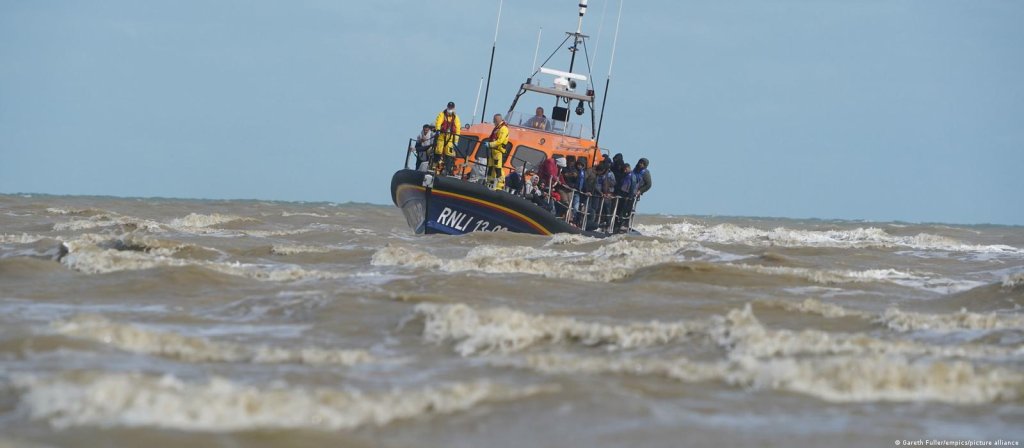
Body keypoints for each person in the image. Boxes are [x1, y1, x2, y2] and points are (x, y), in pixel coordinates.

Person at [482, 113, 509, 189]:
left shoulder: (504, 128)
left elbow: (500, 141)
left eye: (494, 120)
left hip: (498, 151)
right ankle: (489, 182)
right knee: (490, 167)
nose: (493, 121)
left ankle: (499, 185)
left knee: (498, 168)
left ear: (497, 119)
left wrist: (490, 144)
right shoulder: (497, 128)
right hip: (493, 151)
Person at [433, 101, 461, 175]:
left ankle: (448, 169)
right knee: (438, 150)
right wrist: (438, 129)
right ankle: (434, 166)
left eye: (451, 108)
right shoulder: (442, 114)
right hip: (442, 136)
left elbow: (458, 129)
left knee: (449, 153)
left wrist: (456, 141)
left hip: (450, 138)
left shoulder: (456, 118)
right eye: (449, 107)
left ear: (454, 108)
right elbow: (438, 122)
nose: (450, 109)